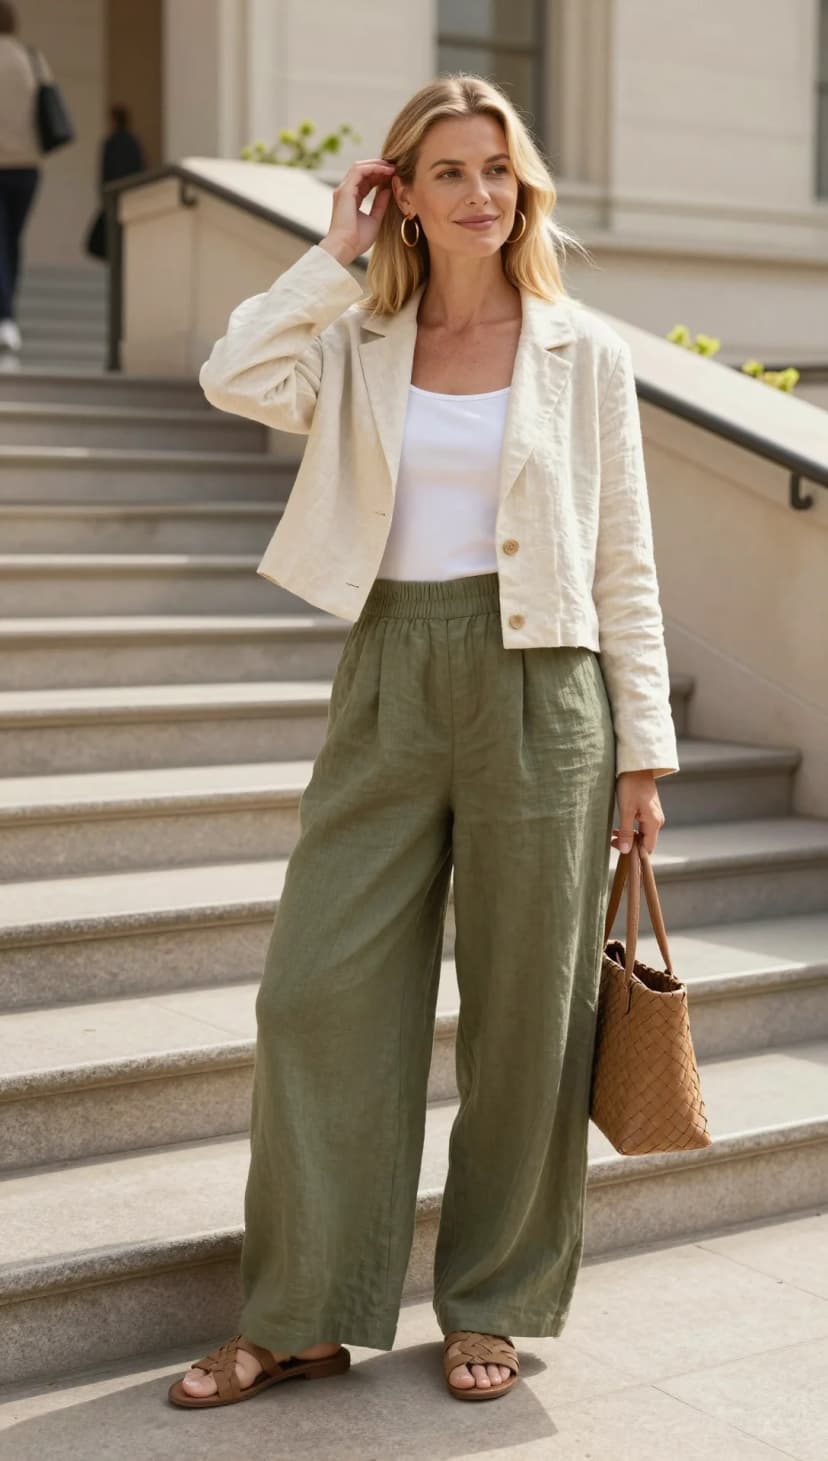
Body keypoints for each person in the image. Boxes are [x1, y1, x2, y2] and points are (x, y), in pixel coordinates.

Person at [167, 73, 679, 1411]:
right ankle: (304, 1312)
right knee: (315, 994)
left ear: (526, 190)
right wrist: (335, 254)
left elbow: (625, 556)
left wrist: (642, 758)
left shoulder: (586, 353)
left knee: (528, 1016)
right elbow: (234, 373)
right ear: (403, 188)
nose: (479, 194)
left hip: (546, 693)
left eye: (498, 170)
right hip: (391, 671)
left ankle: (494, 1301)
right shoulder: (358, 337)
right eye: (447, 171)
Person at [0, 0, 52, 352]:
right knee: (11, 241)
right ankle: (8, 315)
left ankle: (5, 319)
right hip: (28, 168)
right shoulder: (32, 58)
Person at [85, 106, 146, 261]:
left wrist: (105, 198)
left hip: (115, 198)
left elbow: (106, 174)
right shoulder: (133, 143)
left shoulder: (111, 144)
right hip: (130, 197)